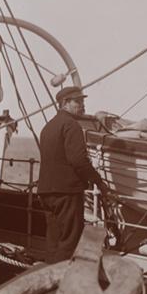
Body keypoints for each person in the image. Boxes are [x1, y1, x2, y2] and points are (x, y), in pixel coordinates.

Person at [38, 86, 108, 263]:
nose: (82, 105)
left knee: (53, 240)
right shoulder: (71, 125)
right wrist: (99, 182)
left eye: (82, 101)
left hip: (46, 192)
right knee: (70, 240)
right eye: (78, 101)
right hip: (66, 192)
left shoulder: (48, 127)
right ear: (65, 103)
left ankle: (50, 273)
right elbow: (78, 161)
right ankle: (62, 276)